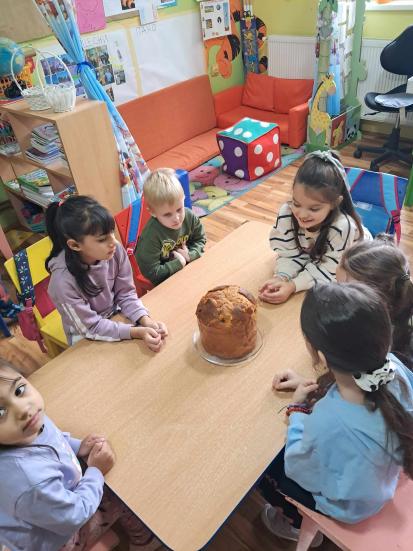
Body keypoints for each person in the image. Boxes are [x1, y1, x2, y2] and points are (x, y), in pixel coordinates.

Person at [260, 282, 413, 545]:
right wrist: (310, 385)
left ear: (320, 356)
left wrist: (297, 411)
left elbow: (297, 468)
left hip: (349, 507)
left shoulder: (328, 420)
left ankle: (293, 522)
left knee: (266, 469)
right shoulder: (395, 369)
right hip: (382, 483)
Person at [0, 359, 163, 551]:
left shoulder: (26, 427)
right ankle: (144, 543)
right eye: (1, 412)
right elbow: (75, 515)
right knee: (122, 494)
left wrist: (78, 447)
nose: (23, 409)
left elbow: (50, 437)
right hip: (60, 540)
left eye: (19, 390)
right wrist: (96, 471)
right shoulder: (29, 480)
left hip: (48, 509)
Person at [46, 195, 167, 351]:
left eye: (112, 232)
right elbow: (91, 327)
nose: (113, 242)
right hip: (86, 338)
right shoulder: (62, 283)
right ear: (75, 245)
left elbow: (126, 294)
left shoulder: (114, 251)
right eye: (102, 239)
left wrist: (145, 321)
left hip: (116, 318)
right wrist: (136, 332)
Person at [259, 150, 369, 304]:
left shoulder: (342, 227)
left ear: (335, 203)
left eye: (314, 209)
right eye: (296, 203)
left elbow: (332, 270)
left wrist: (293, 285)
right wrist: (281, 277)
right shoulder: (287, 213)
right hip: (319, 254)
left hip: (357, 262)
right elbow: (289, 253)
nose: (302, 214)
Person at [337, 237, 413, 370]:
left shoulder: (390, 351)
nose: (338, 297)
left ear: (380, 300)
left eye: (346, 292)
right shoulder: (395, 298)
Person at [135, 168, 206, 286]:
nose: (176, 218)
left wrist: (191, 254)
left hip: (189, 268)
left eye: (179, 209)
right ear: (152, 212)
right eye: (167, 214)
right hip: (164, 280)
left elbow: (200, 238)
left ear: (184, 198)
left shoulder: (189, 216)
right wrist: (179, 263)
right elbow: (151, 273)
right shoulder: (150, 238)